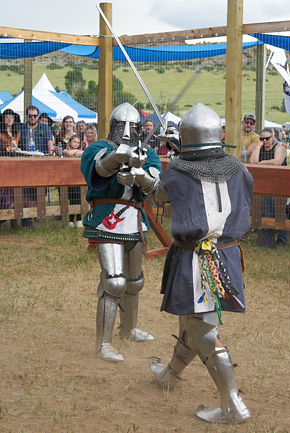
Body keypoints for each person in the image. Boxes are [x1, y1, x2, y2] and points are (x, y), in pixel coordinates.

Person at [146, 103, 253, 424]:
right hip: (227, 253)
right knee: (191, 319)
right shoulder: (238, 167)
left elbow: (158, 195)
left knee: (201, 328)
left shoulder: (179, 171)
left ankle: (233, 404)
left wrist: (154, 171)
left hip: (198, 257)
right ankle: (170, 375)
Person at [80, 102, 162, 362]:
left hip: (134, 221)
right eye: (122, 126)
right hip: (107, 221)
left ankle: (128, 329)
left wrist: (138, 174)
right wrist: (120, 158)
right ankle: (103, 344)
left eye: (133, 127)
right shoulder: (98, 148)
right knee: (114, 281)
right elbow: (99, 169)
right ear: (113, 126)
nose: (127, 131)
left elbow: (156, 186)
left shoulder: (147, 153)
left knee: (135, 281)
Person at [249, 127, 288, 247]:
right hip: (265, 184)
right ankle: (268, 238)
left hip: (280, 184)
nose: (264, 140)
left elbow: (278, 161)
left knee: (279, 210)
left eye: (267, 138)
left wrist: (263, 163)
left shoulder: (279, 147)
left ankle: (282, 238)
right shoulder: (260, 148)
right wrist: (258, 146)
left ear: (273, 137)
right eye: (262, 138)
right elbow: (252, 161)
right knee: (267, 210)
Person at [19, 105, 54, 228]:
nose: (32, 118)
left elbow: (50, 142)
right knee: (24, 190)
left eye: (35, 116)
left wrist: (50, 153)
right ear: (27, 116)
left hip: (40, 162)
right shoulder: (21, 128)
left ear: (38, 116)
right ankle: (26, 218)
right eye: (30, 115)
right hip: (24, 162)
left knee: (36, 190)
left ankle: (29, 216)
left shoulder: (44, 127)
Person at [0, 109, 21, 229]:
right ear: (3, 119)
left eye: (11, 118)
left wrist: (17, 149)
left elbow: (22, 146)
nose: (9, 120)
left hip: (15, 165)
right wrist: (9, 149)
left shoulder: (17, 132)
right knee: (3, 189)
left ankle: (13, 218)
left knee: (15, 189)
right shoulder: (0, 133)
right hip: (3, 165)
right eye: (7, 117)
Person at [63, 134, 84, 227]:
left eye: (78, 143)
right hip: (68, 177)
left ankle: (79, 219)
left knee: (78, 198)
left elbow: (84, 153)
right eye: (74, 142)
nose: (76, 144)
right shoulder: (65, 150)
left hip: (78, 177)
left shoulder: (81, 151)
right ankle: (71, 220)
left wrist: (77, 151)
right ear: (70, 142)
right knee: (71, 199)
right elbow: (69, 153)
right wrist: (77, 151)